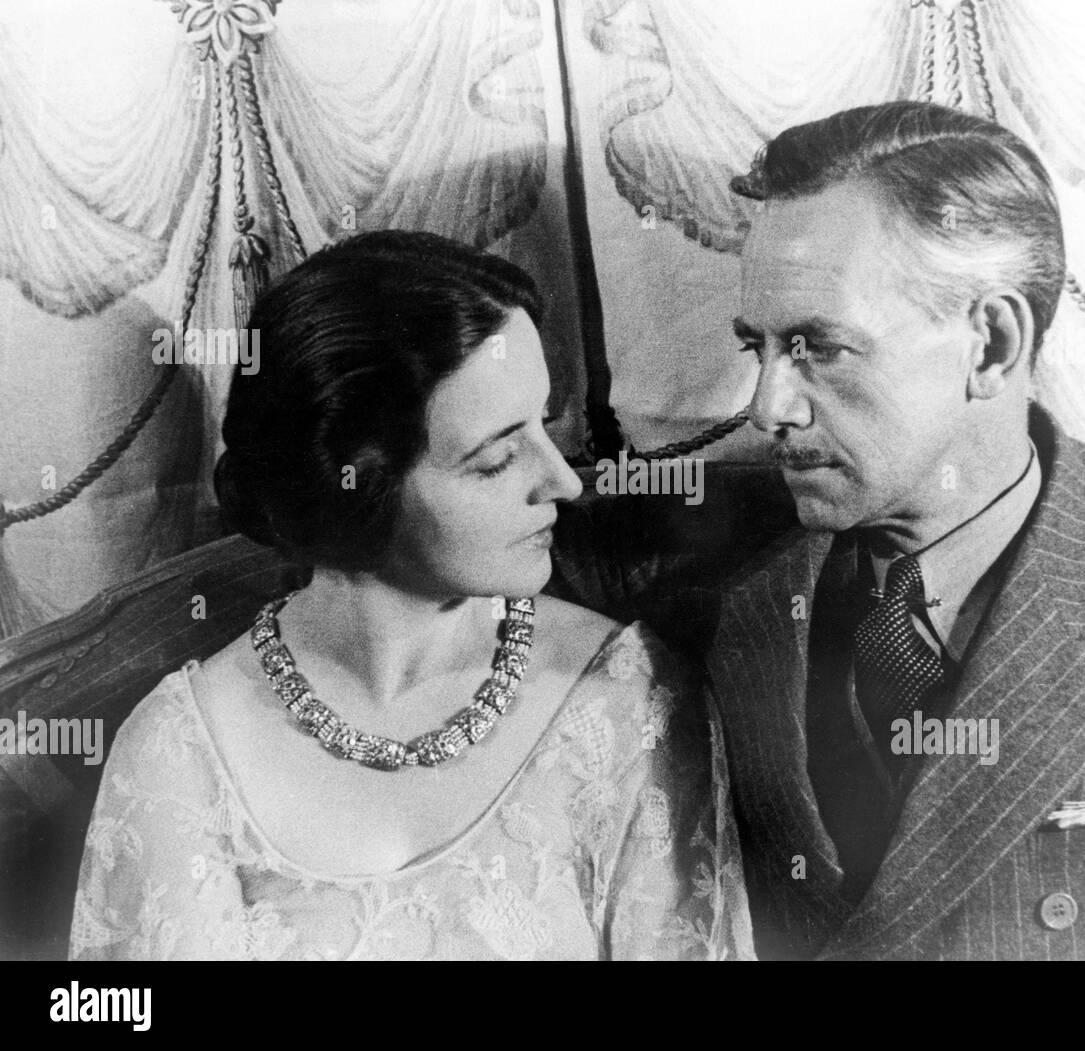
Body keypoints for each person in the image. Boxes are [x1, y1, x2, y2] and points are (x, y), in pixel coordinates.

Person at [549, 101, 1085, 960]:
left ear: (991, 343)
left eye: (818, 347)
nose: (766, 407)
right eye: (756, 347)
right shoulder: (693, 548)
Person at [69, 231, 752, 961]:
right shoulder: (182, 752)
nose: (564, 481)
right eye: (495, 458)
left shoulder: (625, 704)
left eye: (545, 424)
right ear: (359, 484)